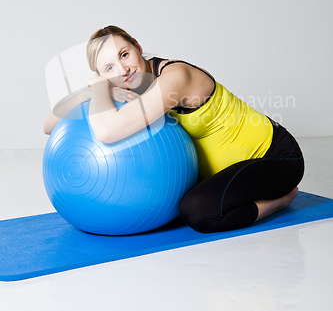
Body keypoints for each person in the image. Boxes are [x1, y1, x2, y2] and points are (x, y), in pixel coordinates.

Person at [43, 25, 305, 233]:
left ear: (138, 47)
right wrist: (91, 90)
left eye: (125, 54)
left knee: (197, 212)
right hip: (228, 170)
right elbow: (49, 125)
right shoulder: (124, 86)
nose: (123, 70)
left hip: (274, 156)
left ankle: (281, 199)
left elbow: (106, 132)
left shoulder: (175, 77)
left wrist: (99, 87)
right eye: (109, 67)